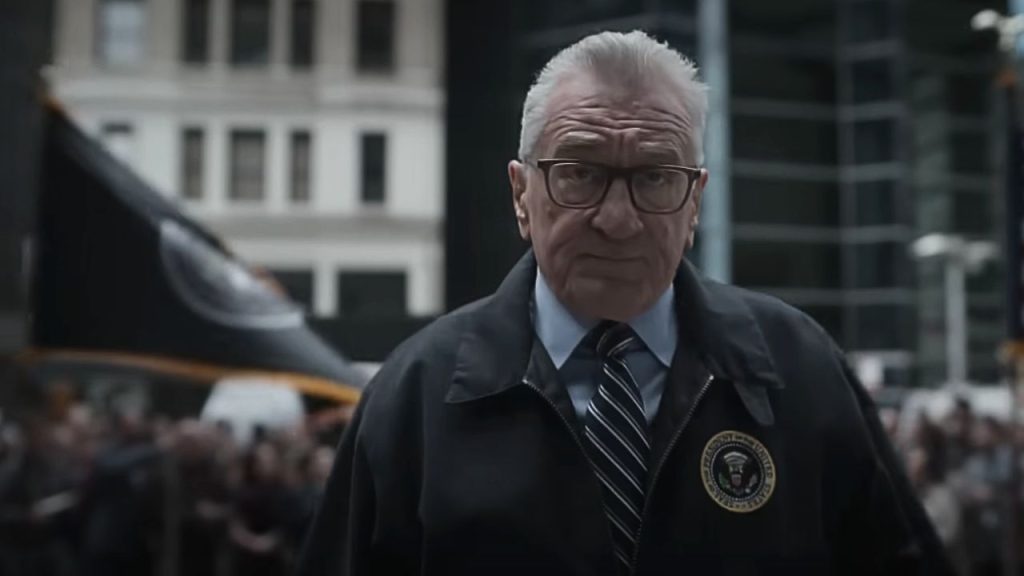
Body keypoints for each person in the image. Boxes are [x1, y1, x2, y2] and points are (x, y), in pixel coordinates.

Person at [299, 30, 953, 576]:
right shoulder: (414, 395)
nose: (617, 219)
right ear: (522, 194)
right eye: (580, 173)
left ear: (694, 203)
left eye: (655, 177)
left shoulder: (799, 369)